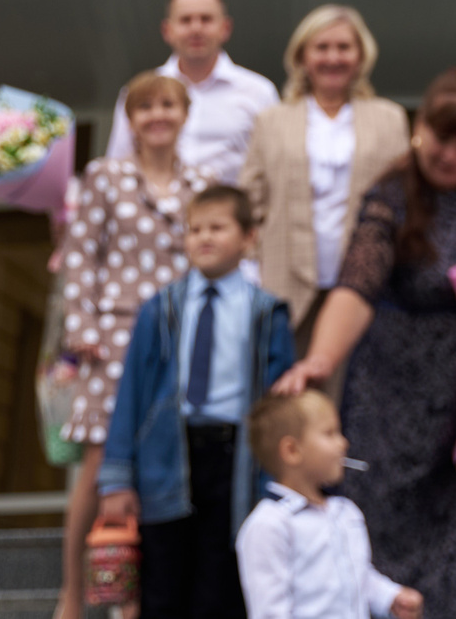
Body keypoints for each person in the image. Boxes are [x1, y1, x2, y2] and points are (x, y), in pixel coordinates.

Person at [269, 70, 456, 619]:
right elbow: (356, 287)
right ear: (420, 130)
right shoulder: (391, 195)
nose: (450, 155)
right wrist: (320, 360)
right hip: (395, 397)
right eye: (442, 139)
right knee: (393, 534)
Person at [53, 72, 212, 619]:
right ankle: (73, 595)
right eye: (145, 108)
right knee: (101, 466)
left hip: (179, 341)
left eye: (167, 105)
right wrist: (81, 327)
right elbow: (80, 257)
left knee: (160, 466)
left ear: (184, 113)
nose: (157, 116)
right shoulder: (105, 176)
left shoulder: (201, 185)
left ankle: (129, 600)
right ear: (131, 119)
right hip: (112, 339)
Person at [98, 186, 297, 619]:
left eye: (217, 228)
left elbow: (279, 405)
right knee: (163, 586)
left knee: (221, 586)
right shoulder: (159, 310)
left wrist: (282, 478)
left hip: (236, 462)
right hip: (168, 459)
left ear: (249, 237)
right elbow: (131, 392)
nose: (203, 238)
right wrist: (116, 478)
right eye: (194, 230)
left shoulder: (268, 314)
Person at [241, 5, 411, 340]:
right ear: (302, 57)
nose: (333, 58)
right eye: (321, 48)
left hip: (365, 286)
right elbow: (250, 202)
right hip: (284, 282)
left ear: (361, 57)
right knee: (287, 388)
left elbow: (404, 200)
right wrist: (253, 263)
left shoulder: (390, 119)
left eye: (344, 48)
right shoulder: (271, 120)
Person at [237, 390, 423, 619]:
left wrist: (390, 597)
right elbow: (270, 611)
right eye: (329, 433)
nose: (343, 443)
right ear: (292, 451)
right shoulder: (270, 524)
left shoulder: (345, 512)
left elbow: (358, 575)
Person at [109, 0, 281, 185]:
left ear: (225, 28)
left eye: (206, 19)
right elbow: (118, 163)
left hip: (231, 213)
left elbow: (276, 166)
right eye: (185, 20)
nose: (196, 28)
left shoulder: (258, 91)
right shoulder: (137, 93)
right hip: (153, 212)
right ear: (167, 30)